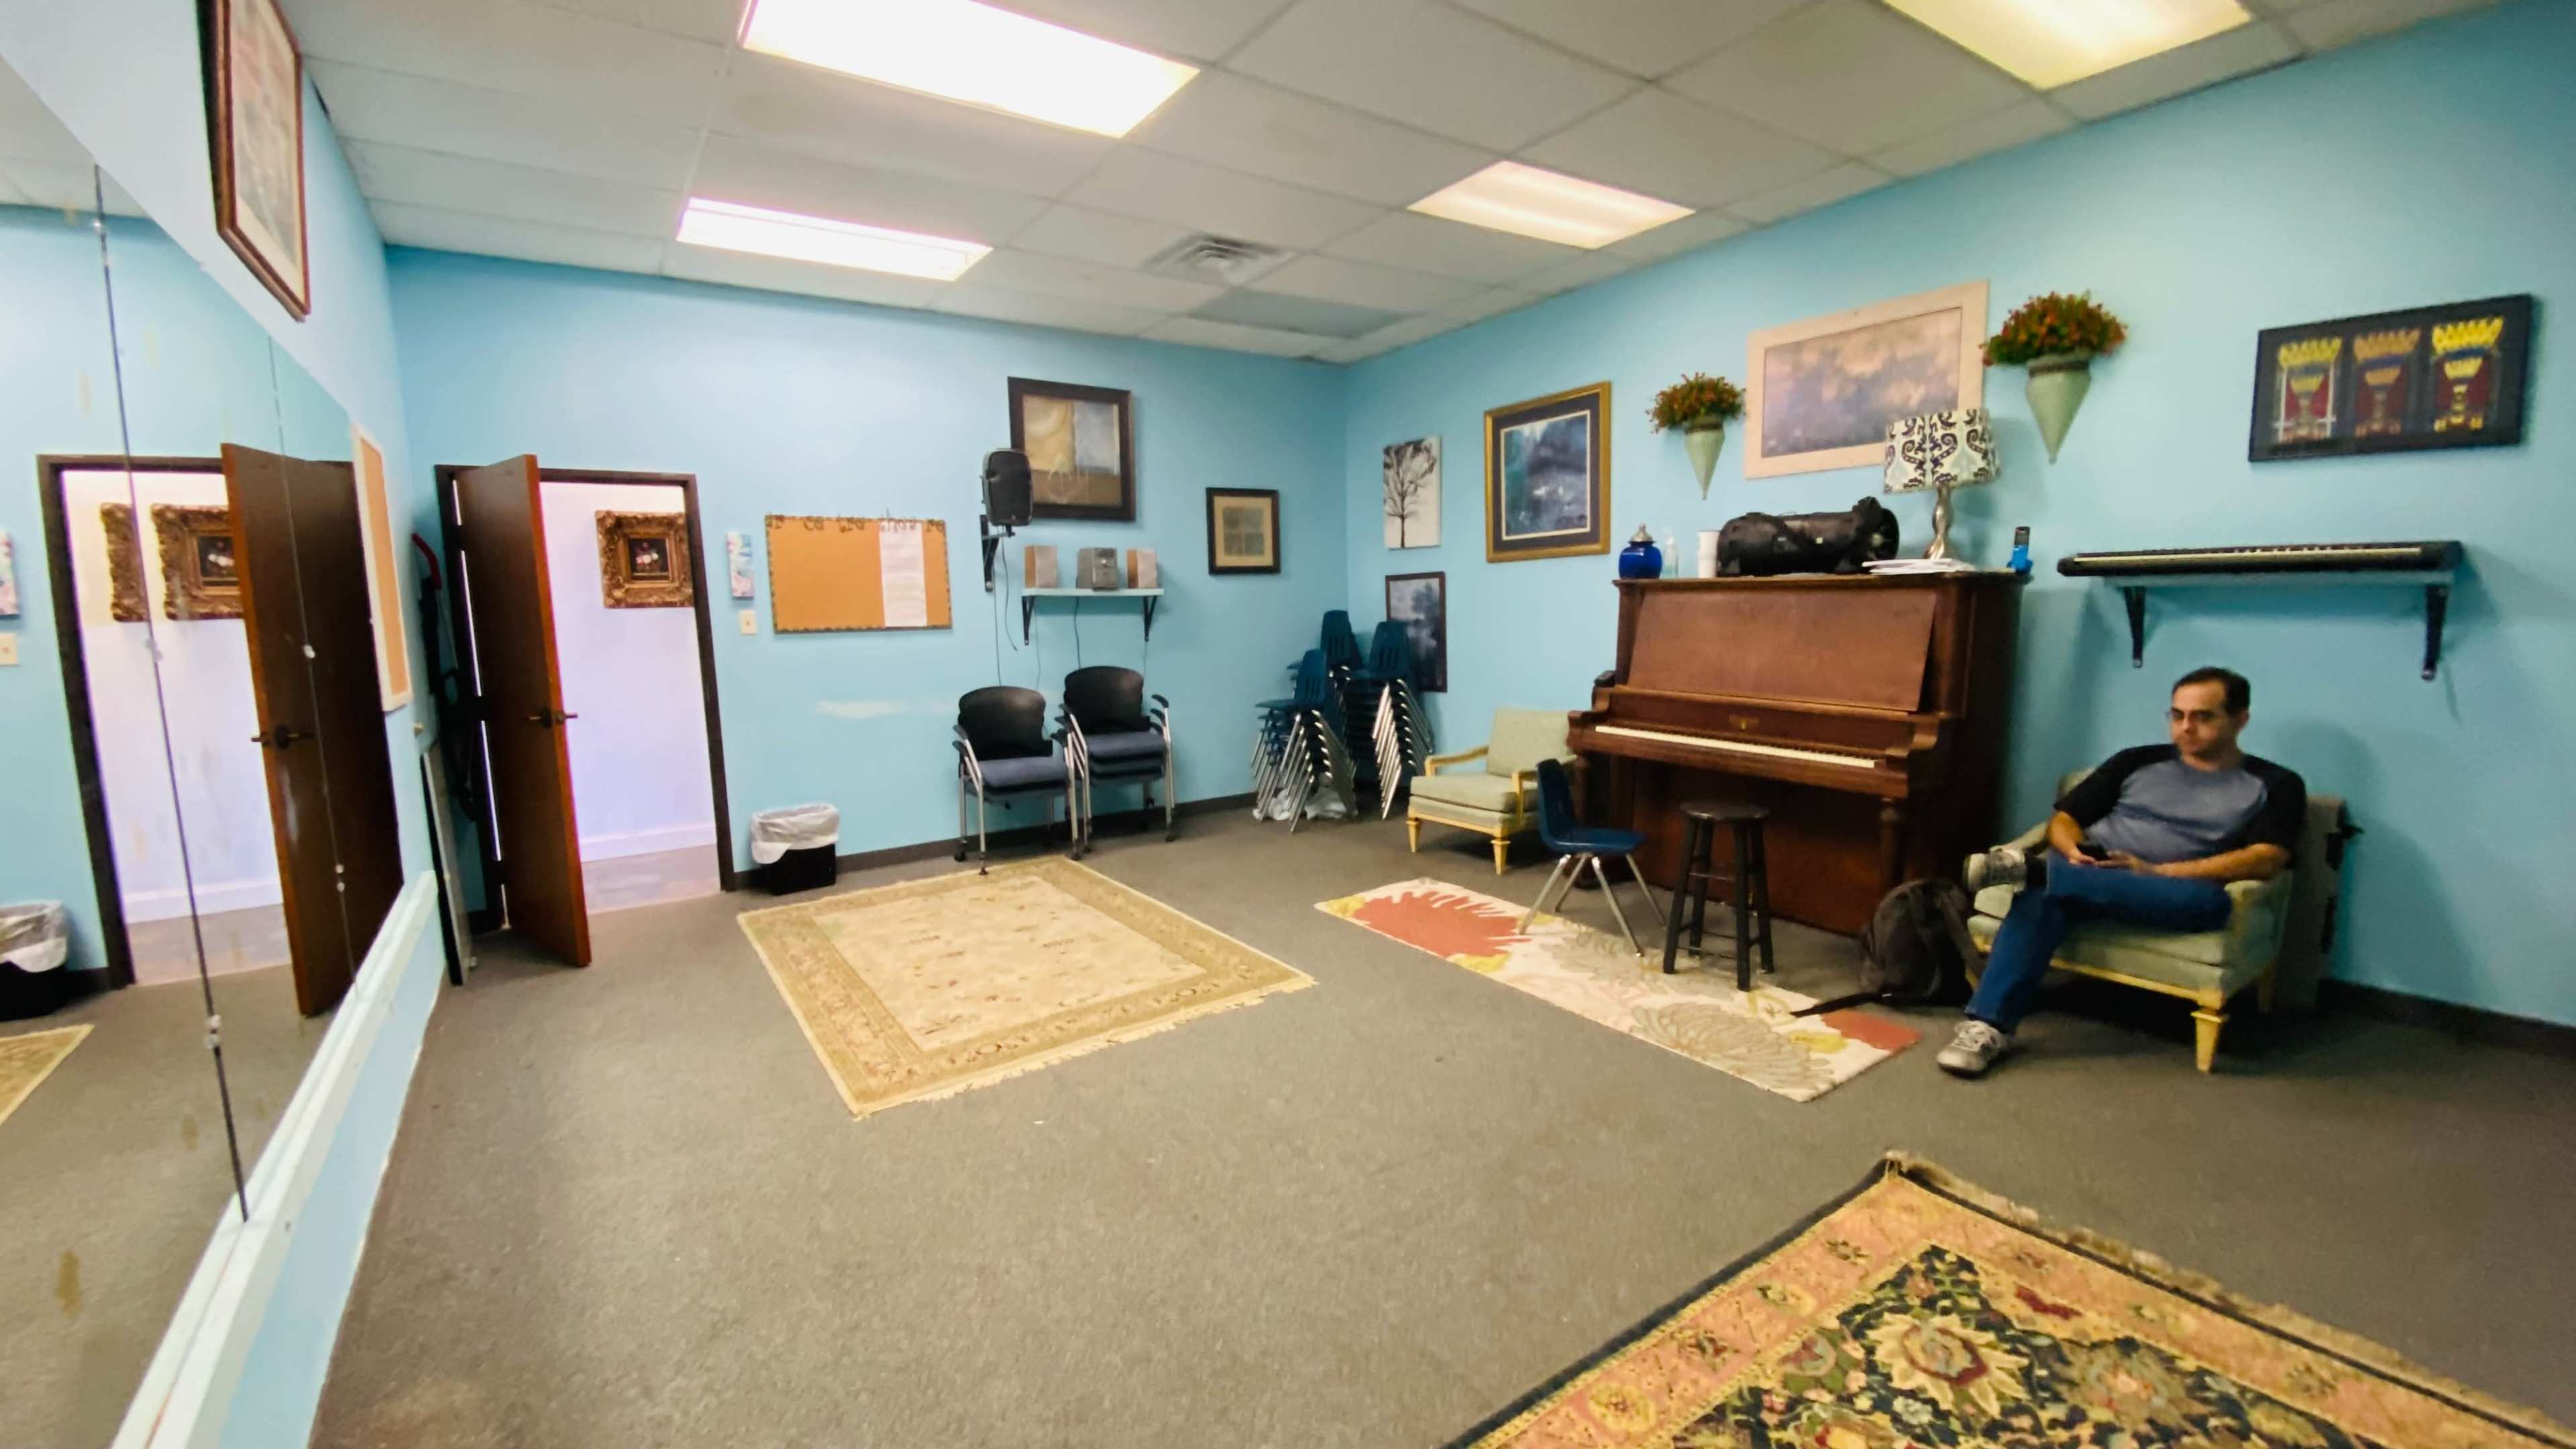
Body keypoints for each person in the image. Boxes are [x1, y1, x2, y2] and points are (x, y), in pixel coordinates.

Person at [1937, 666, 2306, 1077]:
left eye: (2203, 717)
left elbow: (2267, 857)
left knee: (2211, 901)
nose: (2186, 727)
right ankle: (1986, 1028)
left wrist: (2160, 871)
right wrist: (2072, 851)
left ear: (2240, 720)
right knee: (2042, 898)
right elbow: (2065, 819)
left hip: (2172, 891)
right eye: (2177, 715)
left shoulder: (2276, 783)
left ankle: (2038, 873)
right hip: (2089, 872)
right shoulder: (2136, 761)